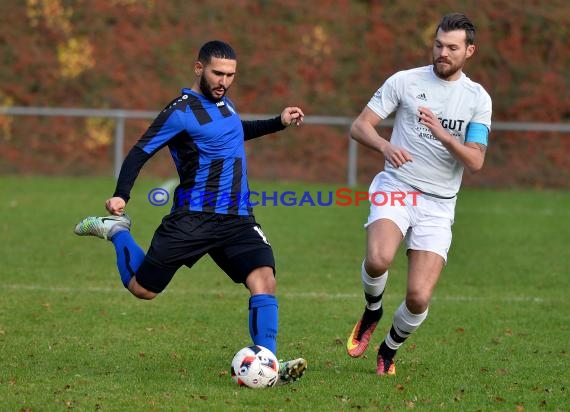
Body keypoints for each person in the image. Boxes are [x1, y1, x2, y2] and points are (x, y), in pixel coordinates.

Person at [74, 40, 307, 385]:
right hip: (192, 219)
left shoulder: (225, 105)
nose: (224, 81)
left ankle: (268, 362)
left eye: (230, 75)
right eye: (217, 73)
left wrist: (278, 122)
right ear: (199, 69)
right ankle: (116, 231)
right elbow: (140, 152)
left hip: (237, 218)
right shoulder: (180, 112)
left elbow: (236, 130)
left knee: (264, 280)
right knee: (143, 289)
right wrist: (121, 194)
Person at [346, 13, 492, 376]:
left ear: (469, 51)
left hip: (439, 204)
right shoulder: (405, 81)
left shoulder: (477, 99)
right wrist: (384, 146)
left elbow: (475, 161)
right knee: (379, 259)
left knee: (418, 297)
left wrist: (444, 135)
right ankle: (372, 309)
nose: (443, 52)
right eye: (439, 45)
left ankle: (388, 349)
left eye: (452, 48)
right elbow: (359, 126)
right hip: (397, 186)